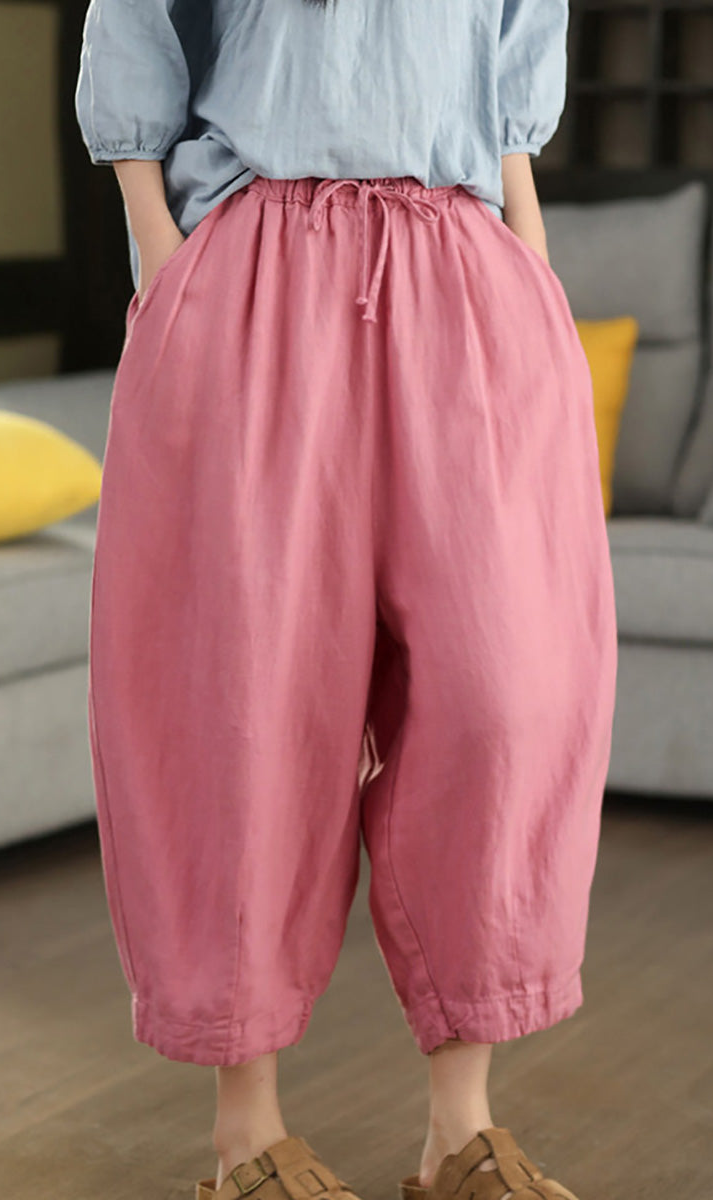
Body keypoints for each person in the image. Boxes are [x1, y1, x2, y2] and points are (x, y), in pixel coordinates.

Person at [74, 2, 618, 1199]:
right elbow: (134, 27)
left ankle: (460, 1129)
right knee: (245, 711)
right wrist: (168, 261)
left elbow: (513, 74)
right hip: (257, 268)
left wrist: (528, 265)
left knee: (508, 697)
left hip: (466, 267)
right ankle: (246, 1135)